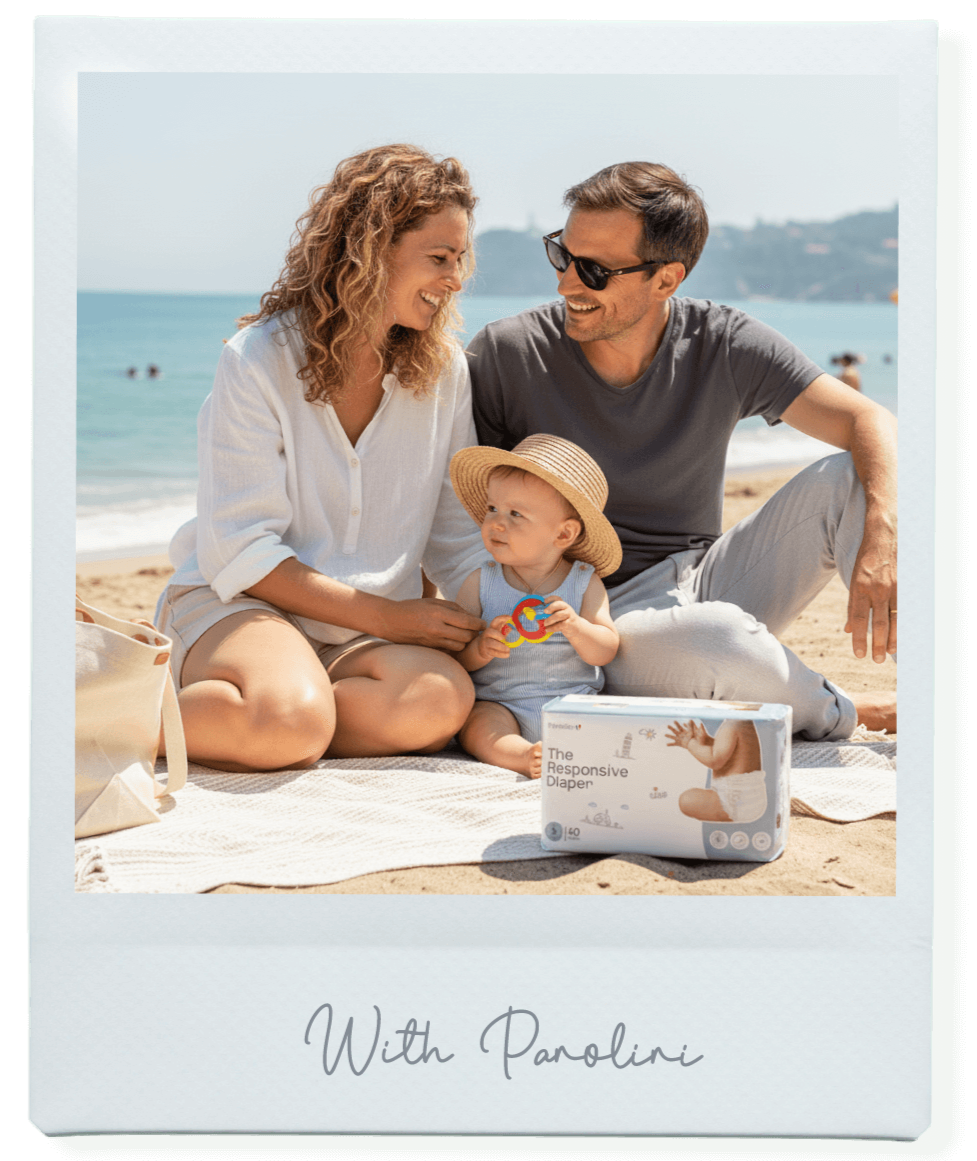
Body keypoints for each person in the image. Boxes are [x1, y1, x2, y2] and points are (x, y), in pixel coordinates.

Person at [467, 162, 897, 741]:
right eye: (562, 256)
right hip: (594, 621)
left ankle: (938, 687)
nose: (567, 284)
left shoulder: (725, 342)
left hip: (708, 578)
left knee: (854, 477)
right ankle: (849, 710)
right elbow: (461, 516)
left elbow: (868, 419)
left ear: (666, 279)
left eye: (593, 271)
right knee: (717, 639)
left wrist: (883, 536)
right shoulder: (508, 353)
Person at [155, 144, 488, 773]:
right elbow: (238, 549)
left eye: (460, 260)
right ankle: (123, 717)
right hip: (242, 604)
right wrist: (388, 616)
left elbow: (455, 537)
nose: (455, 279)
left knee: (439, 701)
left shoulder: (445, 371)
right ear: (370, 250)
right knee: (289, 720)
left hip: (360, 634)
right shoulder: (258, 357)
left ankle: (284, 713)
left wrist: (515, 608)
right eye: (439, 258)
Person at [448, 434, 622, 778]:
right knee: (479, 726)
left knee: (609, 724)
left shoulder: (583, 581)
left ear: (563, 534)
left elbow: (606, 651)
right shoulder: (481, 581)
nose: (497, 522)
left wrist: (575, 626)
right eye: (492, 509)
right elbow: (456, 658)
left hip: (571, 702)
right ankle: (522, 755)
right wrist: (480, 648)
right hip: (500, 703)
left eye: (515, 514)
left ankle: (578, 755)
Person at [666, 718, 767, 823]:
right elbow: (728, 753)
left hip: (737, 799)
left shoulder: (732, 725)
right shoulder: (742, 725)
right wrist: (707, 741)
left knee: (686, 800)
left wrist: (689, 744)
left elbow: (714, 761)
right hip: (750, 798)